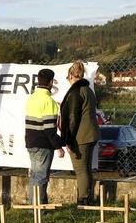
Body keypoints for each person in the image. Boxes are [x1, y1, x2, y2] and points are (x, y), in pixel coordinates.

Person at [60, 61, 100, 205]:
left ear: (71, 75)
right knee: (87, 169)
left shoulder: (76, 92)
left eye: (67, 78)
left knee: (81, 170)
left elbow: (72, 119)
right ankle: (89, 197)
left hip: (80, 137)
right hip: (92, 133)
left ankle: (83, 200)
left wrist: (69, 141)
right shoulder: (88, 90)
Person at [25, 68, 65, 205]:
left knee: (35, 176)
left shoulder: (31, 99)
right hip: (43, 144)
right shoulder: (49, 102)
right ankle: (36, 209)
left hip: (31, 142)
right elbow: (49, 130)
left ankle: (36, 205)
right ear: (51, 82)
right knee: (41, 177)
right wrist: (59, 146)